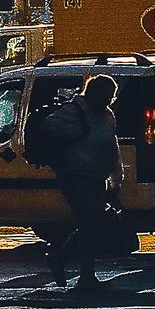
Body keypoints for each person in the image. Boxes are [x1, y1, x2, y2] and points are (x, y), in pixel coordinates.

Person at [29, 72, 123, 294]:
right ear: (94, 93)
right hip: (74, 174)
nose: (108, 101)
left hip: (97, 176)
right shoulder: (74, 111)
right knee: (90, 220)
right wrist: (77, 131)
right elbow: (48, 125)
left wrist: (116, 176)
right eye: (106, 96)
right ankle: (84, 275)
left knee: (91, 224)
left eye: (111, 97)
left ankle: (61, 259)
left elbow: (112, 145)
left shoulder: (107, 115)